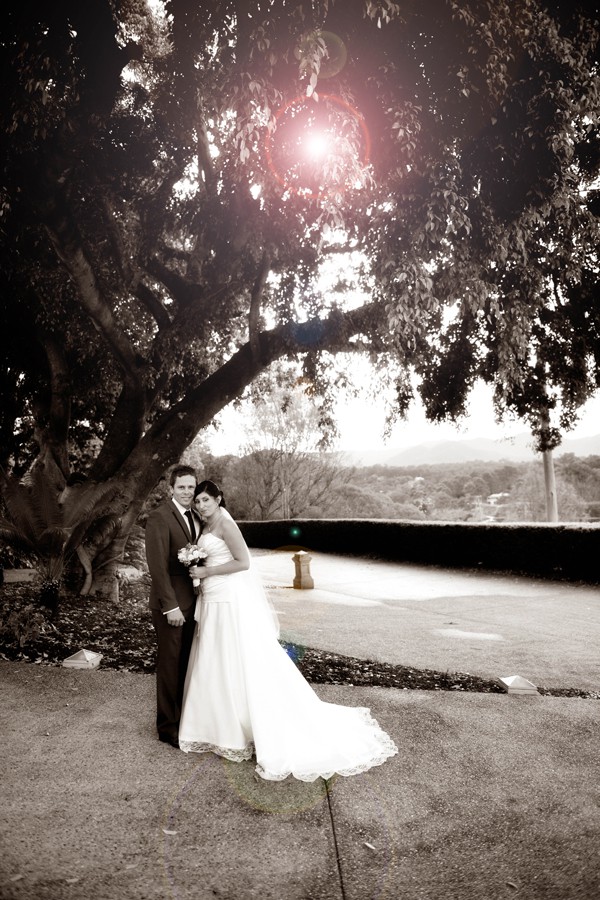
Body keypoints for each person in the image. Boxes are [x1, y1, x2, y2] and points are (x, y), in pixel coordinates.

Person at [178, 480, 398, 781]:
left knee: (234, 658)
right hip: (213, 597)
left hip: (228, 600)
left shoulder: (226, 525)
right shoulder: (205, 525)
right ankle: (218, 725)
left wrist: (207, 571)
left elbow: (244, 562)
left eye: (206, 500)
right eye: (198, 501)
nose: (201, 505)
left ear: (218, 500)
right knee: (215, 659)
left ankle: (245, 724)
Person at [145, 465, 201, 747]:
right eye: (182, 487)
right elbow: (157, 567)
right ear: (171, 488)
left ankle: (183, 719)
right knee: (169, 666)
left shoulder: (196, 517)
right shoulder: (159, 517)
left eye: (191, 487)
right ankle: (167, 728)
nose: (187, 492)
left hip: (193, 604)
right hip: (172, 606)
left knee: (185, 665)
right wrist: (170, 606)